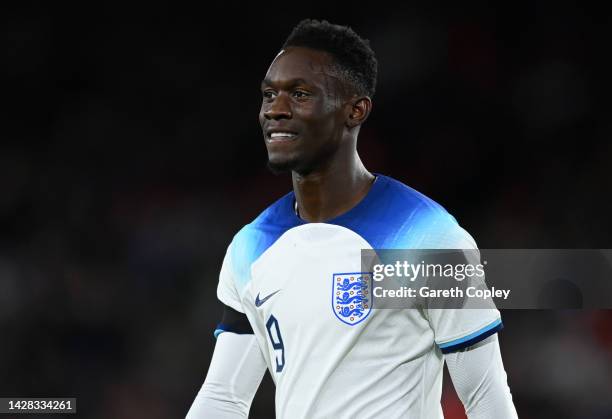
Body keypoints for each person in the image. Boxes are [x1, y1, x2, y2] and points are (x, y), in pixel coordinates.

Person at [187, 19, 518, 419]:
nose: (275, 109)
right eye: (269, 94)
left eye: (300, 94)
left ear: (355, 110)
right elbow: (223, 398)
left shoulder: (428, 238)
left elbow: (485, 397)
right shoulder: (251, 247)